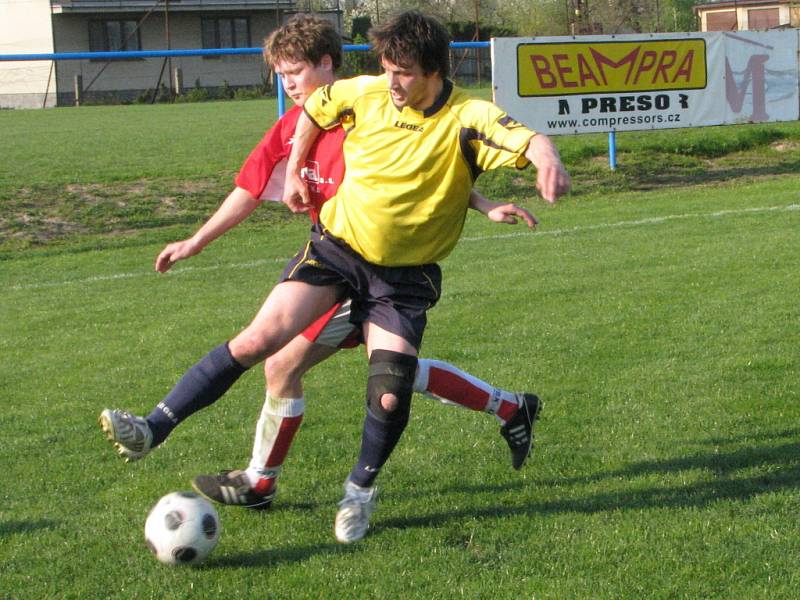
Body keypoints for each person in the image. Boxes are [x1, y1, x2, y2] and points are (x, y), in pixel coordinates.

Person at [98, 15, 550, 518]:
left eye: (295, 72)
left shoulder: (366, 108)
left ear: (327, 64)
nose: (288, 84)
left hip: (390, 269)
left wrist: (485, 203)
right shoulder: (297, 124)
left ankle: (264, 481)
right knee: (336, 366)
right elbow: (249, 189)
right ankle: (509, 407)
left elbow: (428, 178)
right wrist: (197, 240)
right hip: (337, 258)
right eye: (280, 75)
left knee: (336, 371)